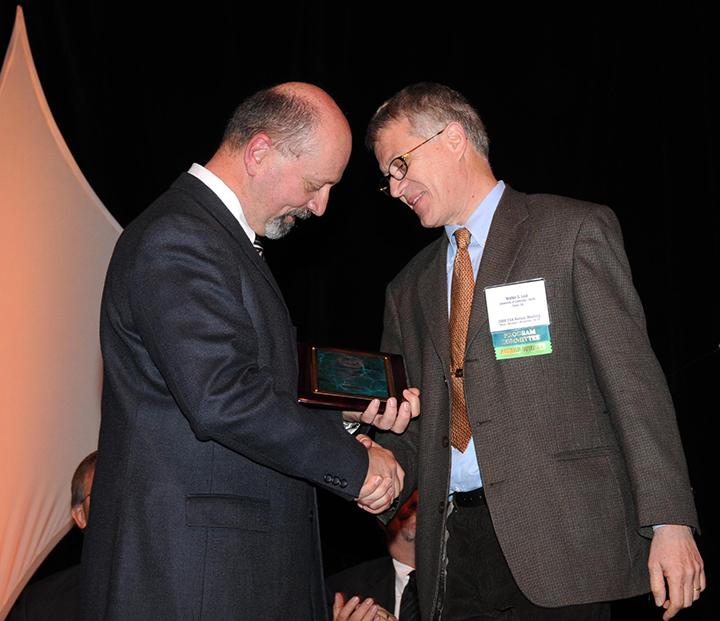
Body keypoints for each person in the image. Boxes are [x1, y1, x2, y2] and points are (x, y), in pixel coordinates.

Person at [79, 82, 419, 621]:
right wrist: (356, 465)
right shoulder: (179, 236)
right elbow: (223, 397)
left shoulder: (219, 240)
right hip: (195, 579)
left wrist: (346, 417)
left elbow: (255, 386)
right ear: (259, 152)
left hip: (221, 572)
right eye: (315, 184)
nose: (320, 206)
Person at [366, 82, 704, 620]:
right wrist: (374, 466)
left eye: (400, 165)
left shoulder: (569, 231)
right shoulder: (407, 288)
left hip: (562, 541)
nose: (394, 187)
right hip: (452, 551)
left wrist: (670, 521)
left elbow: (633, 386)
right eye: (387, 177)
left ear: (453, 138)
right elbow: (410, 427)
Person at [9, 451, 97, 621]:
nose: (118, 506)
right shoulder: (39, 606)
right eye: (103, 495)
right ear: (80, 516)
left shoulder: (154, 590)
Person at [328, 490, 419, 621]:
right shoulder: (339, 588)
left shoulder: (452, 582)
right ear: (381, 519)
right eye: (401, 497)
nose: (411, 502)